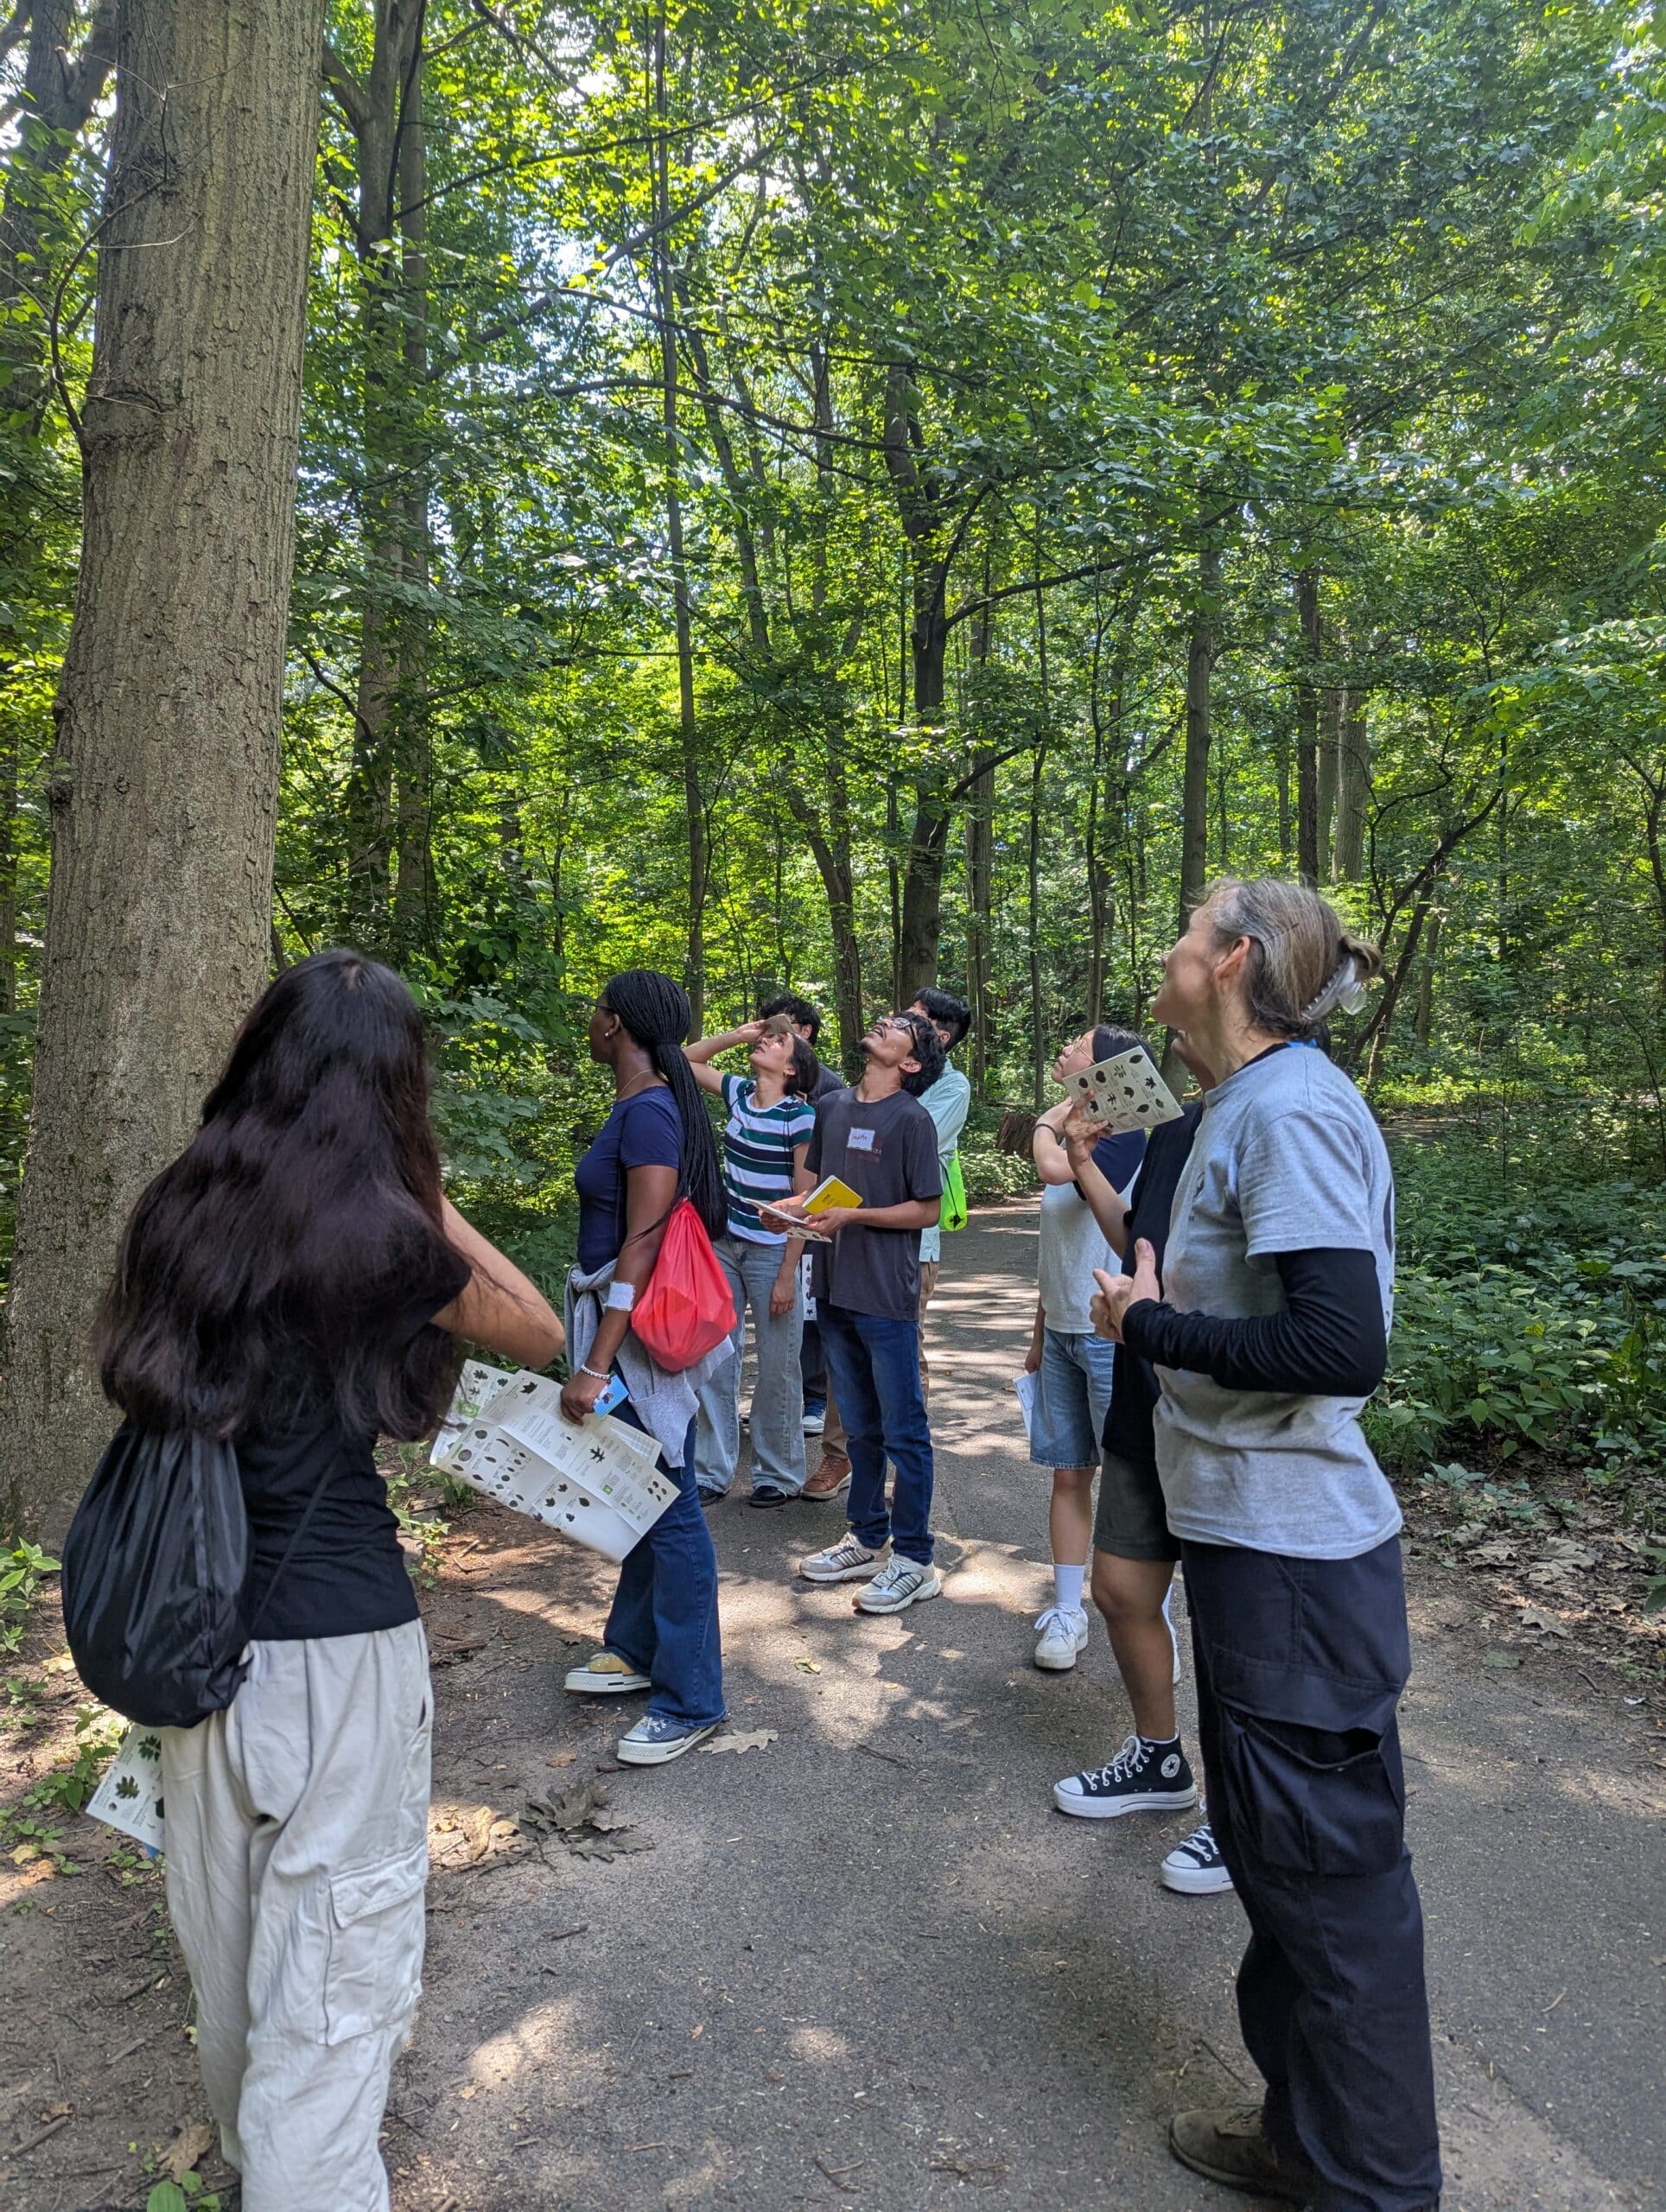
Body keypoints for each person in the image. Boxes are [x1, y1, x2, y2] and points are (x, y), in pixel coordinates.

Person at [94, 950, 565, 2212]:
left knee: (233, 1949)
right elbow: (541, 1327)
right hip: (342, 1653)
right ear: (394, 1090)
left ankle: (260, 2171)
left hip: (194, 1643)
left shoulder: (175, 1211)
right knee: (333, 1993)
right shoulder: (390, 1242)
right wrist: (422, 1186)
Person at [1091, 879, 1440, 2212]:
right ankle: (1309, 2144)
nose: (1164, 953)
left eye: (1182, 935)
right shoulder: (1244, 1106)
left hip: (1298, 1567)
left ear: (1232, 962)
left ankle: (1375, 2188)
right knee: (1286, 1878)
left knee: (1333, 1899)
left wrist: (1148, 1328)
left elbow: (1341, 1344)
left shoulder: (1290, 1109)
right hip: (1252, 1552)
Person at [1050, 1033, 1228, 1896]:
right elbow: (1138, 1245)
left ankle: (1243, 1814)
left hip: (1217, 1401)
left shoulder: (1263, 1123)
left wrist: (1151, 1312)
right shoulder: (1172, 1130)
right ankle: (1160, 1761)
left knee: (1230, 1617)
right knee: (1120, 1589)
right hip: (1140, 1391)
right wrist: (1085, 1165)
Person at [559, 969, 732, 1765]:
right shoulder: (644, 1099)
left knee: (669, 1506)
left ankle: (692, 1699)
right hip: (613, 1325)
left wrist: (596, 1363)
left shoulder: (653, 1111)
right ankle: (633, 1650)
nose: (588, 1022)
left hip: (632, 1339)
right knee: (638, 1493)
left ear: (616, 1024)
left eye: (597, 1011)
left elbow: (645, 1239)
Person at [785, 1012, 946, 1612]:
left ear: (910, 1063)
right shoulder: (831, 1107)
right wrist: (787, 1209)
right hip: (833, 1287)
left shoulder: (912, 1120)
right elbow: (814, 1191)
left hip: (886, 1296)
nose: (883, 1021)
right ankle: (867, 1539)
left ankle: (915, 1559)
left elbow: (926, 1210)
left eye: (901, 1027)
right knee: (857, 1425)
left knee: (904, 1429)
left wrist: (855, 1217)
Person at [1021, 1024, 1147, 1670]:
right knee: (1069, 1474)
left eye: (1077, 1042)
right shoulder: (1083, 1124)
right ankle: (1068, 1612)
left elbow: (1051, 1164)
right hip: (1065, 1328)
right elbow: (1057, 1249)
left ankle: (1147, 1625)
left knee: (1128, 1482)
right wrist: (1039, 1332)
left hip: (1109, 1334)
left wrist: (1051, 1119)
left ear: (1103, 1068)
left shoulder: (1120, 1134)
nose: (1064, 1045)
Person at [684, 1015, 817, 1506]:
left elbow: (807, 1201)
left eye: (779, 1041)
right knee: (715, 1355)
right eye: (768, 1036)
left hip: (775, 1251)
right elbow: (684, 1059)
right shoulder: (739, 1092)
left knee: (779, 1363)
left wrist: (788, 1274)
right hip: (723, 1243)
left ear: (792, 1068)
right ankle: (711, 1472)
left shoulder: (800, 1117)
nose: (767, 1041)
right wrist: (737, 1035)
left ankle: (777, 1474)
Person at [760, 991, 849, 1484]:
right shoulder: (753, 1092)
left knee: (810, 1314)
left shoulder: (824, 1089)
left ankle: (815, 1402)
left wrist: (802, 1212)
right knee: (800, 1315)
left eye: (780, 1029)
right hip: (778, 1219)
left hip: (811, 1221)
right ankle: (802, 1402)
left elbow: (814, 1175)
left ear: (805, 1035)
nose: (767, 1034)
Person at [905, 986, 972, 1399]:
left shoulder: (953, 1087)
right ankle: (845, 1455)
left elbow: (910, 1145)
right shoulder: (887, 1076)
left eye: (917, 1012)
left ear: (939, 1035)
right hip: (858, 1230)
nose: (903, 1015)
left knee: (906, 1346)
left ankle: (911, 1454)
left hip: (914, 1242)